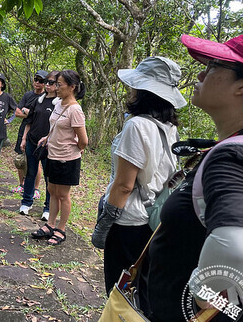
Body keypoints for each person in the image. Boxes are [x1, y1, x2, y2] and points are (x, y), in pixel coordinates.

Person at [136, 35, 243, 322]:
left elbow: (234, 247)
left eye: (214, 66)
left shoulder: (231, 157)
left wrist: (201, 294)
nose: (200, 73)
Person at [90, 56, 186, 294]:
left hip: (128, 220)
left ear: (143, 90)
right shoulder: (168, 127)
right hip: (153, 217)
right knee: (139, 289)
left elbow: (124, 185)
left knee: (119, 289)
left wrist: (104, 225)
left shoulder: (137, 126)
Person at [32, 70, 88, 246]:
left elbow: (84, 141)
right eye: (56, 84)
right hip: (52, 154)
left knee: (63, 195)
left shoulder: (75, 110)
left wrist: (72, 150)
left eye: (60, 84)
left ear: (72, 87)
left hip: (67, 159)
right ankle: (50, 224)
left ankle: (61, 229)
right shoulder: (58, 104)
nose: (56, 88)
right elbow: (55, 126)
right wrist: (47, 137)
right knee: (52, 191)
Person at [19, 71, 59, 221]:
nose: (47, 85)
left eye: (51, 82)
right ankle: (26, 202)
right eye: (46, 82)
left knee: (49, 177)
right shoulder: (38, 101)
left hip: (49, 146)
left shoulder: (60, 104)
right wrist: (24, 139)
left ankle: (48, 207)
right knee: (30, 172)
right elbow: (29, 121)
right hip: (32, 141)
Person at [12, 70, 48, 195]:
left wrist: (28, 112)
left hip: (38, 132)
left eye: (41, 81)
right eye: (36, 79)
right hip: (24, 129)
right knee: (21, 158)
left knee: (36, 160)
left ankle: (36, 188)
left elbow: (43, 116)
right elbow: (17, 112)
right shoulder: (28, 95)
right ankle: (22, 184)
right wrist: (28, 113)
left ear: (45, 83)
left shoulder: (46, 97)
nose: (37, 83)